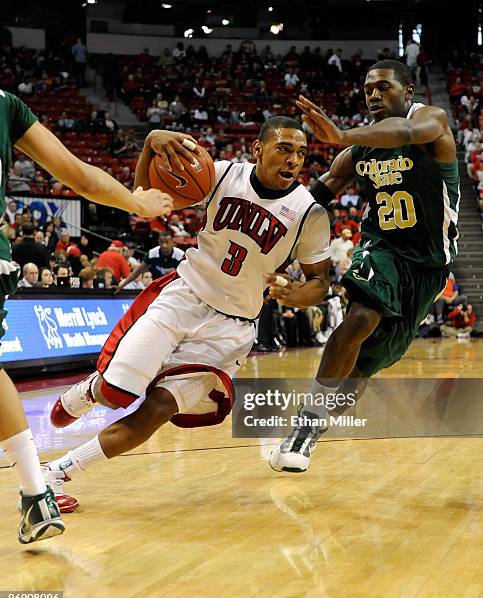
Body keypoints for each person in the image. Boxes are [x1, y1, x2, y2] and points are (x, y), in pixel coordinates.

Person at [42, 117, 333, 509]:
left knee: (158, 409)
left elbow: (320, 283)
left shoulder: (310, 214)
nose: (294, 159)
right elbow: (146, 198)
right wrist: (150, 145)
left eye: (301, 152)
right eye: (284, 148)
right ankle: (95, 388)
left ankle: (56, 473)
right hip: (185, 298)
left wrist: (295, 294)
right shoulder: (220, 174)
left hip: (231, 331)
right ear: (257, 148)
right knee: (115, 393)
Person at [0, 89, 173, 543]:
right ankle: (36, 495)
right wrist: (138, 203)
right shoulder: (5, 104)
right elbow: (79, 176)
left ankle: (38, 492)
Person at [270, 59, 460, 472]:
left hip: (428, 265)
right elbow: (311, 200)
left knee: (366, 364)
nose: (374, 95)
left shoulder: (431, 121)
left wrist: (338, 134)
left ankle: (313, 428)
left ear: (407, 91)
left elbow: (407, 133)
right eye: (368, 89)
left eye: (384, 87)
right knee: (360, 318)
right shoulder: (357, 153)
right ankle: (302, 430)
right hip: (382, 247)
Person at [116, 232, 184, 291]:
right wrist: (122, 285)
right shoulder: (152, 254)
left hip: (175, 287)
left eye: (167, 242)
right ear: (158, 242)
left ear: (172, 242)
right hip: (157, 288)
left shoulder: (180, 255)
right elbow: (137, 272)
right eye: (161, 242)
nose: (164, 245)